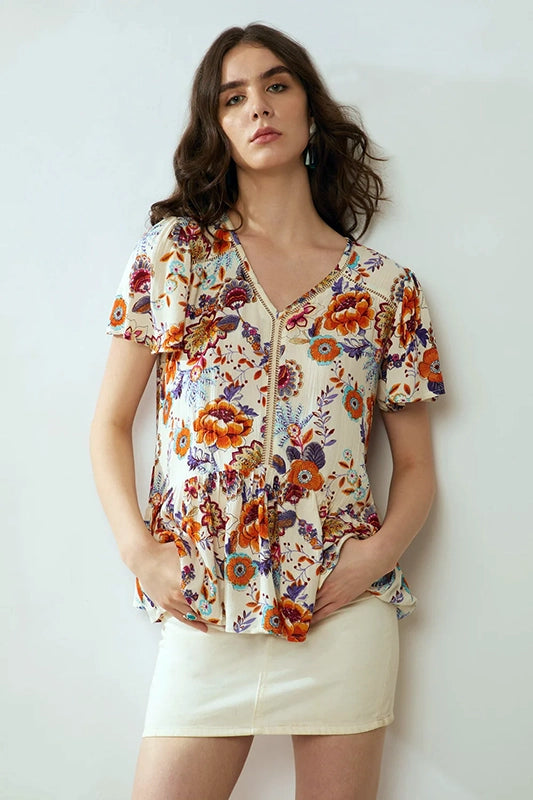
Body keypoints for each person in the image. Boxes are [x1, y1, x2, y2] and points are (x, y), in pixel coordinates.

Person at [90, 22, 445, 800]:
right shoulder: (172, 257)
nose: (258, 106)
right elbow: (109, 426)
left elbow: (417, 467)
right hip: (204, 607)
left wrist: (373, 560)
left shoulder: (384, 288)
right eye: (233, 97)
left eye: (276, 86)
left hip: (338, 611)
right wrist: (140, 554)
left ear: (310, 112)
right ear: (216, 127)